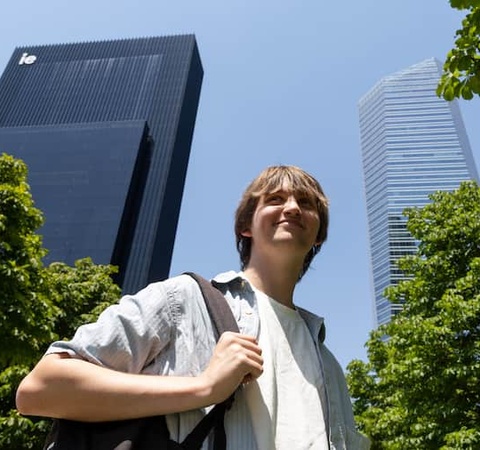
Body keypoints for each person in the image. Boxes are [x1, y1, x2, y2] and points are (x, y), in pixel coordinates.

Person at [16, 165, 370, 449]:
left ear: (319, 233)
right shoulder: (183, 299)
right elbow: (42, 389)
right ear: (246, 226)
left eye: (306, 204)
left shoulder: (330, 368)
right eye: (275, 199)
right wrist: (204, 388)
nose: (292, 207)